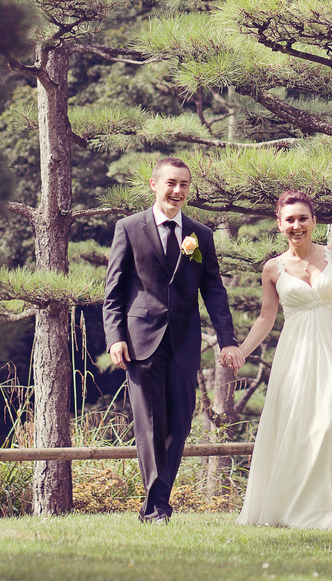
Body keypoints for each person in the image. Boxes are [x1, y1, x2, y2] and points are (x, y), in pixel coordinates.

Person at [232, 190, 332, 529]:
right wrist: (242, 351)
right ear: (279, 225)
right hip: (298, 354)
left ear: (314, 221)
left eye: (303, 218)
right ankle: (299, 507)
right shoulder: (273, 269)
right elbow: (265, 318)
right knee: (302, 428)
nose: (297, 225)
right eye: (289, 220)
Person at [103, 157, 240, 523]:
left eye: (184, 185)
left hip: (184, 342)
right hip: (139, 341)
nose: (177, 191)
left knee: (178, 426)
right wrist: (115, 336)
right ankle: (157, 508)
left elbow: (214, 292)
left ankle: (156, 503)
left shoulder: (201, 235)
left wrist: (227, 340)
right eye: (171, 183)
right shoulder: (129, 228)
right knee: (149, 424)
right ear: (154, 184)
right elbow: (113, 290)